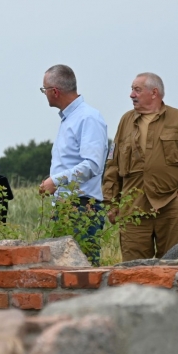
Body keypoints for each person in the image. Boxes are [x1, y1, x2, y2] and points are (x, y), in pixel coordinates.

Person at [102, 73, 178, 260]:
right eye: (132, 89)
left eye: (137, 89)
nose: (131, 95)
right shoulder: (126, 121)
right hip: (133, 209)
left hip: (170, 208)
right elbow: (112, 165)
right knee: (133, 271)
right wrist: (111, 202)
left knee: (174, 266)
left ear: (154, 93)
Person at [38, 64, 109, 261]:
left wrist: (56, 181)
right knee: (65, 273)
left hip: (82, 208)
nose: (44, 94)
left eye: (44, 90)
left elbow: (92, 165)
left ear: (55, 92)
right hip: (67, 207)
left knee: (83, 271)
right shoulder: (70, 118)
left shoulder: (88, 118)